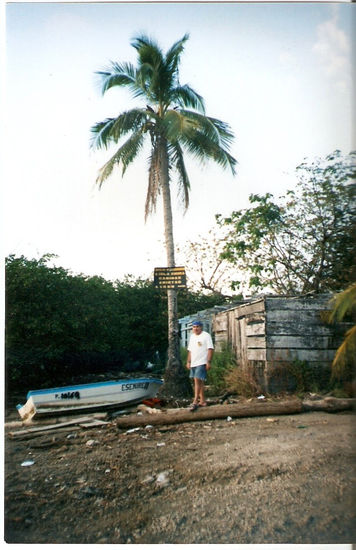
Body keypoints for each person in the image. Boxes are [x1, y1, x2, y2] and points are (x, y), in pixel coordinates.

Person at [186, 320, 214, 411]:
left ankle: (195, 401)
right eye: (194, 327)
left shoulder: (206, 336)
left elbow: (210, 349)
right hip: (194, 362)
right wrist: (188, 361)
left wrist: (208, 362)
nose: (195, 328)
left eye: (197, 327)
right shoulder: (192, 337)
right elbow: (190, 350)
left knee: (197, 380)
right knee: (199, 382)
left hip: (202, 362)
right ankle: (202, 401)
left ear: (201, 327)